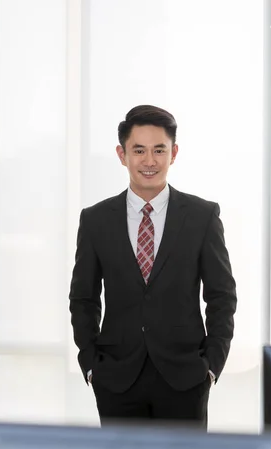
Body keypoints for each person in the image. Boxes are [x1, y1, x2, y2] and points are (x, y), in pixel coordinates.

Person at [69, 105, 237, 427]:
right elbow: (83, 299)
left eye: (159, 150)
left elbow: (222, 297)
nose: (150, 161)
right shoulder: (95, 220)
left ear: (173, 153)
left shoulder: (202, 217)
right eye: (139, 150)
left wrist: (211, 366)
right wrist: (92, 366)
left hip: (185, 380)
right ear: (122, 154)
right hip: (116, 381)